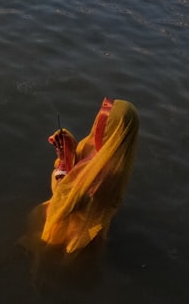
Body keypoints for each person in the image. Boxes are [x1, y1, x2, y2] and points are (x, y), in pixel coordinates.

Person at [36, 98, 139, 256]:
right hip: (73, 213)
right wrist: (66, 150)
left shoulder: (107, 173)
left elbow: (67, 199)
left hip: (70, 229)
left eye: (104, 124)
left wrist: (62, 165)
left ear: (114, 130)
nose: (98, 127)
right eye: (100, 120)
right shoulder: (95, 146)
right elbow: (77, 164)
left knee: (47, 252)